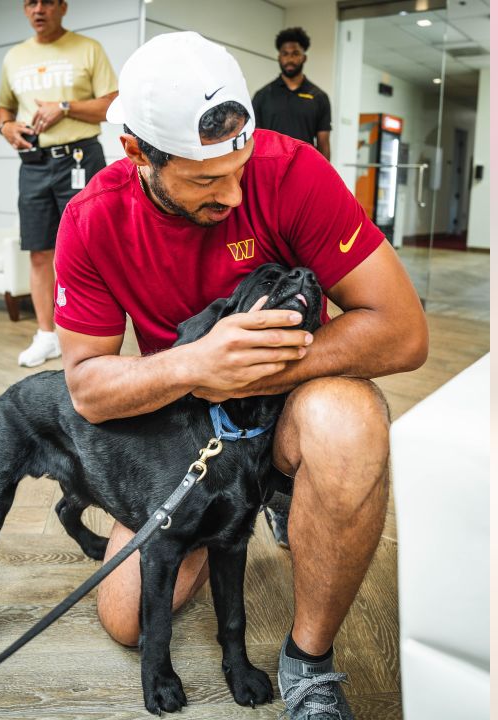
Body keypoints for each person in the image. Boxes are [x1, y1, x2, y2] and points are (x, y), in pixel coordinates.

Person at [53, 32, 428, 720]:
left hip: (287, 410)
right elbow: (86, 388)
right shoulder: (91, 218)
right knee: (126, 618)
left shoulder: (293, 171)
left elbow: (403, 330)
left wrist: (256, 371)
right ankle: (255, 498)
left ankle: (309, 666)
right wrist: (197, 365)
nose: (231, 194)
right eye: (203, 180)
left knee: (347, 422)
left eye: (239, 167)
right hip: (192, 431)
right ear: (136, 152)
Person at [0, 0, 118, 367]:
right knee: (39, 251)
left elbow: (112, 104)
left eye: (47, 1)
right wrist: (6, 127)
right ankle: (46, 335)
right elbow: (3, 107)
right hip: (34, 163)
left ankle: (93, 335)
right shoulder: (14, 56)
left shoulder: (87, 48)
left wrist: (65, 106)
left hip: (80, 158)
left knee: (89, 248)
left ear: (62, 7)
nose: (39, 9)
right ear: (24, 9)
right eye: (31, 2)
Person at [252, 27, 333, 161]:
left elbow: (324, 144)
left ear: (304, 57)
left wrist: (323, 178)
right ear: (279, 57)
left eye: (295, 53)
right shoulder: (262, 95)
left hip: (304, 169)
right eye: (285, 53)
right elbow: (254, 140)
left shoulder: (319, 97)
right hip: (270, 169)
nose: (290, 59)